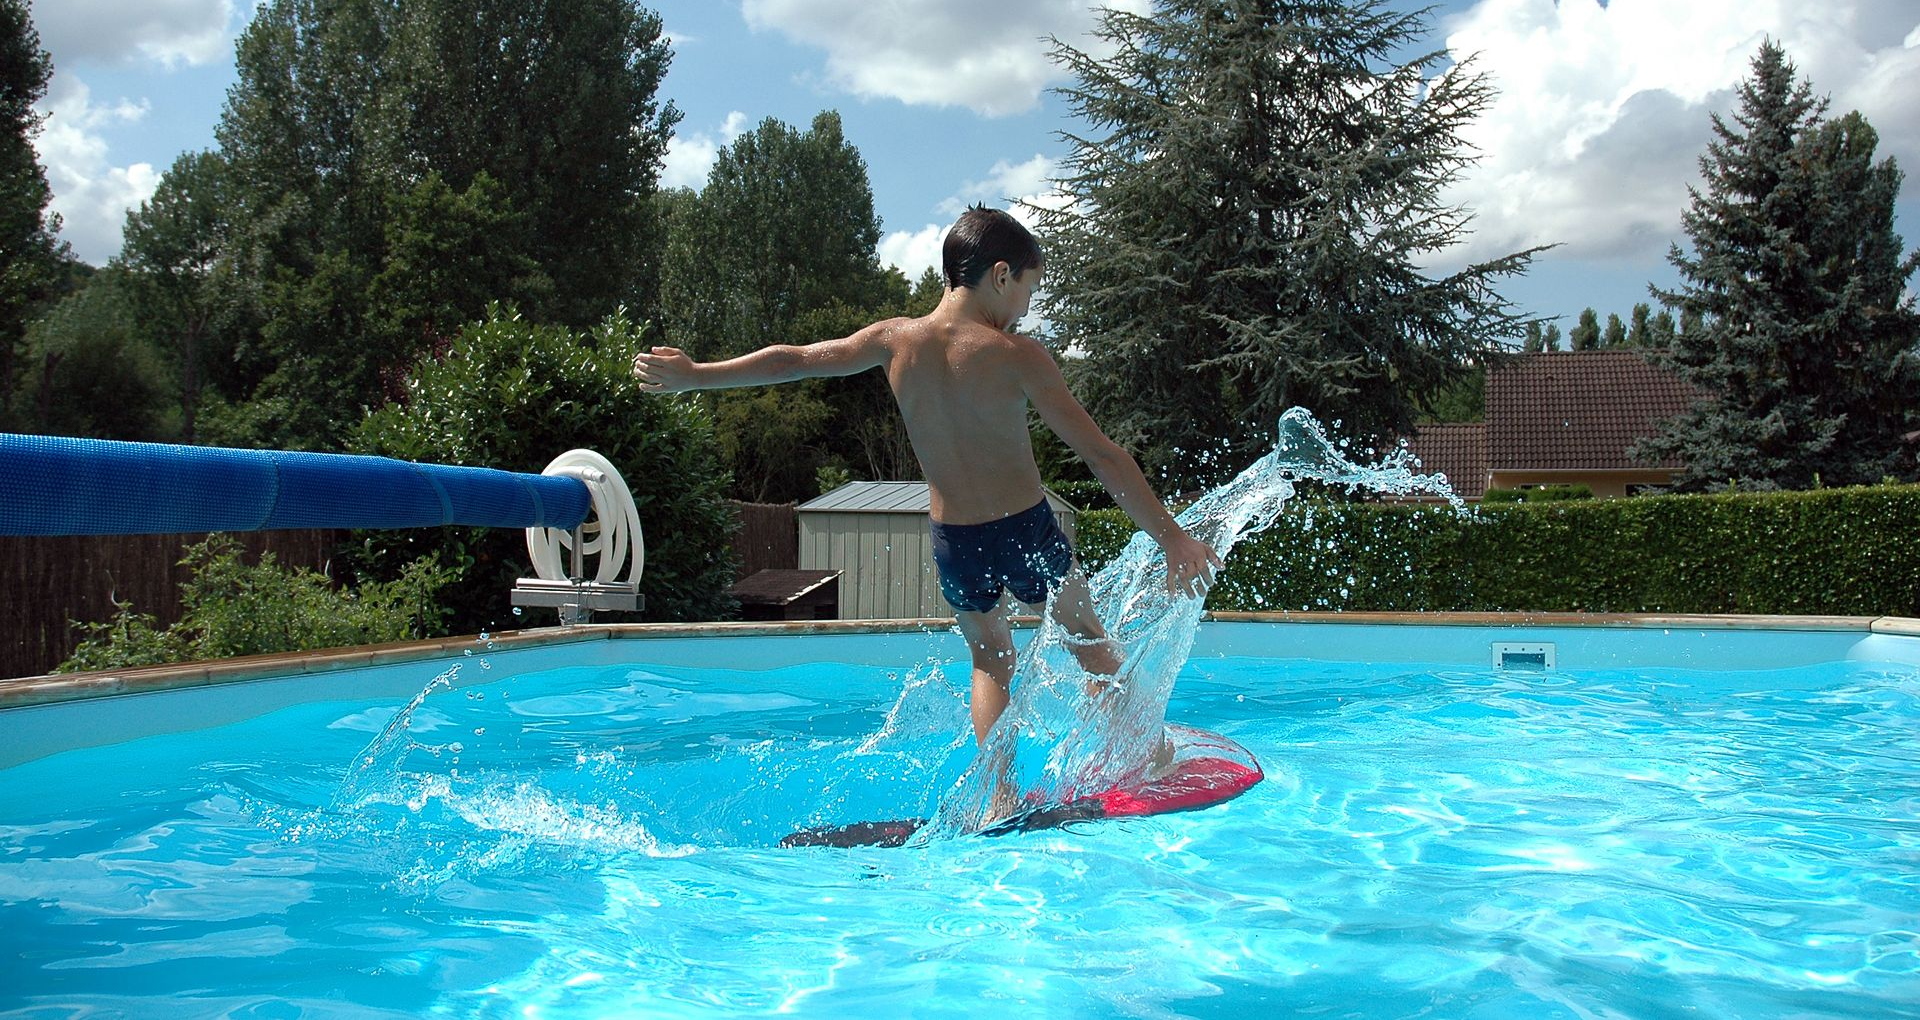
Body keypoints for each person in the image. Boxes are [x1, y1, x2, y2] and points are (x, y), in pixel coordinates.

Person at [632, 205, 1220, 751]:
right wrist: (1171, 536)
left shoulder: (894, 342)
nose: (1024, 308)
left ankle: (998, 795)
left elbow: (794, 359)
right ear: (999, 275)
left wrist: (696, 376)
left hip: (954, 541)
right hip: (1025, 531)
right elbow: (1103, 456)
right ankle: (1150, 755)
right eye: (1027, 290)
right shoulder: (1017, 355)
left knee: (991, 660)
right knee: (1088, 639)